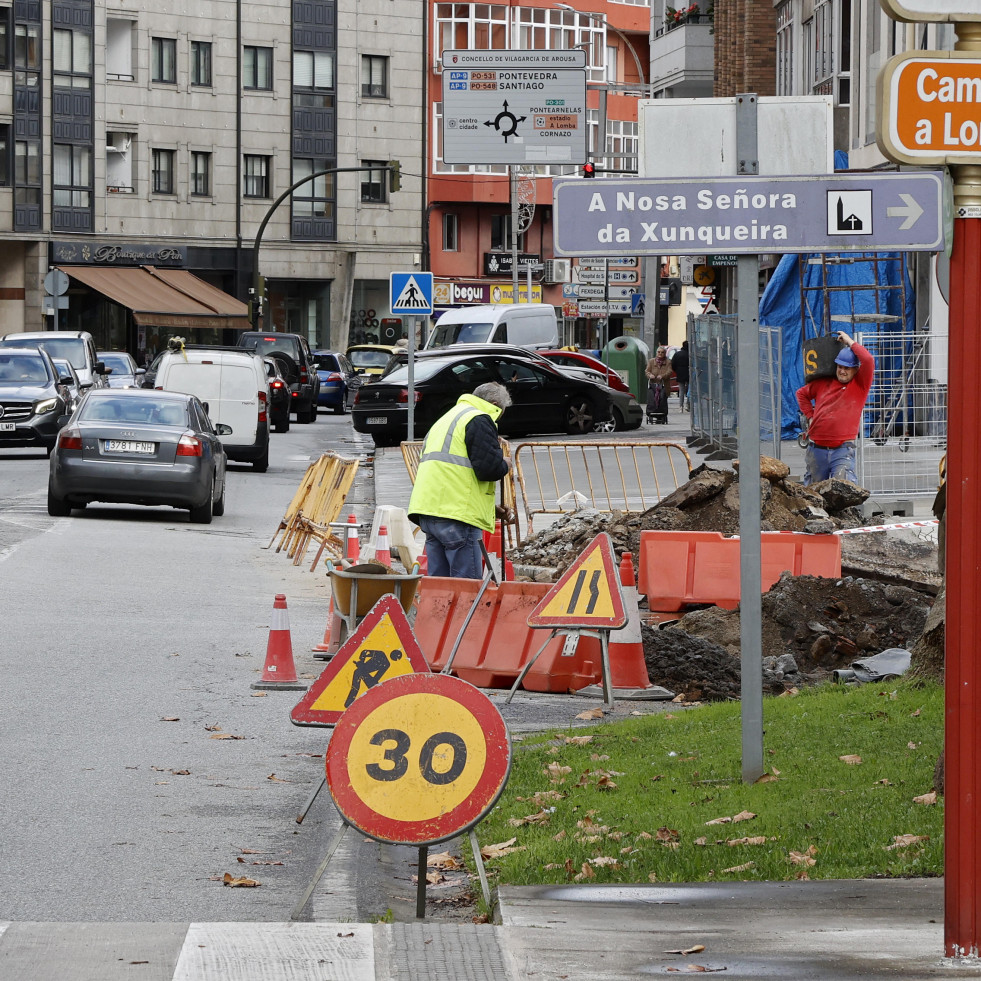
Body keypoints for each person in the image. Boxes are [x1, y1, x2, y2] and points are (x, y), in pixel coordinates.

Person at [407, 381, 512, 579]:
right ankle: (464, 612)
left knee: (439, 586)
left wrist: (490, 510)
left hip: (431, 512)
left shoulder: (448, 418)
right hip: (457, 517)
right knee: (465, 588)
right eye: (501, 411)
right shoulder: (479, 418)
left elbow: (453, 473)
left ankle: (438, 612)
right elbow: (488, 469)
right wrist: (505, 463)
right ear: (495, 404)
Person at [795, 330, 874, 485]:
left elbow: (869, 360)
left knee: (845, 488)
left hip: (842, 450)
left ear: (856, 370)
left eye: (847, 368)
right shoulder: (822, 383)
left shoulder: (859, 386)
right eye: (840, 367)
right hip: (816, 448)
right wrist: (810, 416)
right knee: (813, 492)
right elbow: (801, 394)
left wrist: (850, 342)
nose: (842, 371)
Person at [645, 346, 672, 424]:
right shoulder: (651, 361)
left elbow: (669, 371)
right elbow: (647, 371)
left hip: (663, 385)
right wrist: (650, 375)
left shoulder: (668, 362)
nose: (660, 354)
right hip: (653, 384)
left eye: (662, 352)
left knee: (662, 400)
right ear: (656, 353)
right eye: (659, 352)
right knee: (652, 400)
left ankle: (661, 416)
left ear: (665, 353)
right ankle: (652, 413)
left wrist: (662, 376)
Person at [671, 340, 690, 411]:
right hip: (688, 373)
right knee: (689, 390)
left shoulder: (677, 354)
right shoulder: (690, 354)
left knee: (681, 390)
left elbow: (673, 364)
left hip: (680, 373)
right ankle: (688, 405)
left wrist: (677, 370)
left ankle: (680, 406)